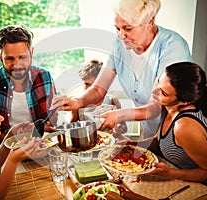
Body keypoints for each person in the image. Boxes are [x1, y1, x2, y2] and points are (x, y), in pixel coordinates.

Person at [50, 0, 192, 139]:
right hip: (151, 131)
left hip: (180, 130)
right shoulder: (120, 44)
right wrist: (77, 102)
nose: (121, 35)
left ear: (150, 21)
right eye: (117, 28)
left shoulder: (172, 47)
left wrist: (119, 115)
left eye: (128, 28)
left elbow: (156, 107)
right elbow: (98, 89)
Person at [120, 62, 207, 199]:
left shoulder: (184, 126)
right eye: (158, 82)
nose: (154, 92)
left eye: (163, 92)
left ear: (184, 102)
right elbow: (158, 141)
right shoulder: (168, 107)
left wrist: (170, 173)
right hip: (186, 183)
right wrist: (130, 145)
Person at [0, 25, 57, 154]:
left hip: (42, 150)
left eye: (23, 57)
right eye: (10, 58)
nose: (17, 65)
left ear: (31, 53)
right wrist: (16, 137)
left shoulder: (44, 76)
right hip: (0, 156)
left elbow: (52, 120)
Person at [70, 59, 127, 133]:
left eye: (94, 86)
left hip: (107, 141)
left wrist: (119, 128)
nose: (89, 89)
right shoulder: (77, 104)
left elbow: (124, 128)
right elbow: (71, 126)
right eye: (86, 84)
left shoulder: (112, 101)